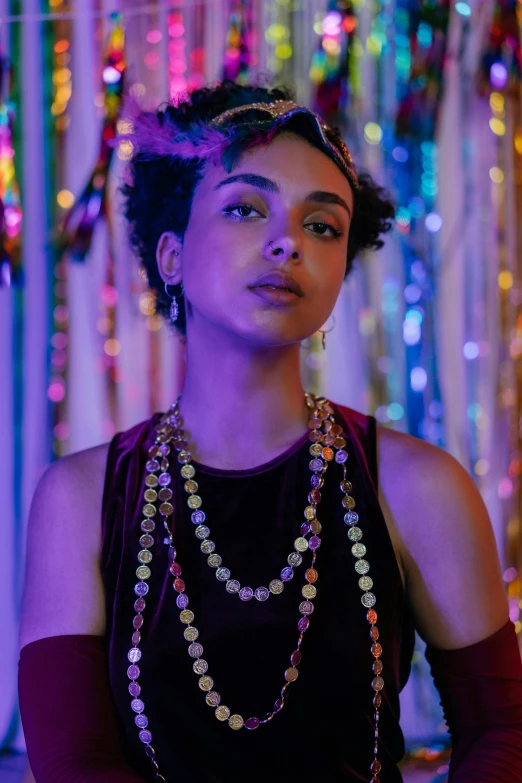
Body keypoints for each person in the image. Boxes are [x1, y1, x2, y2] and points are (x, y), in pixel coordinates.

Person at [18, 78, 522, 783]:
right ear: (170, 255)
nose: (287, 242)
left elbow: (503, 730)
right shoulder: (81, 498)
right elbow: (74, 762)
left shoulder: (418, 486)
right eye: (246, 208)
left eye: (323, 225)